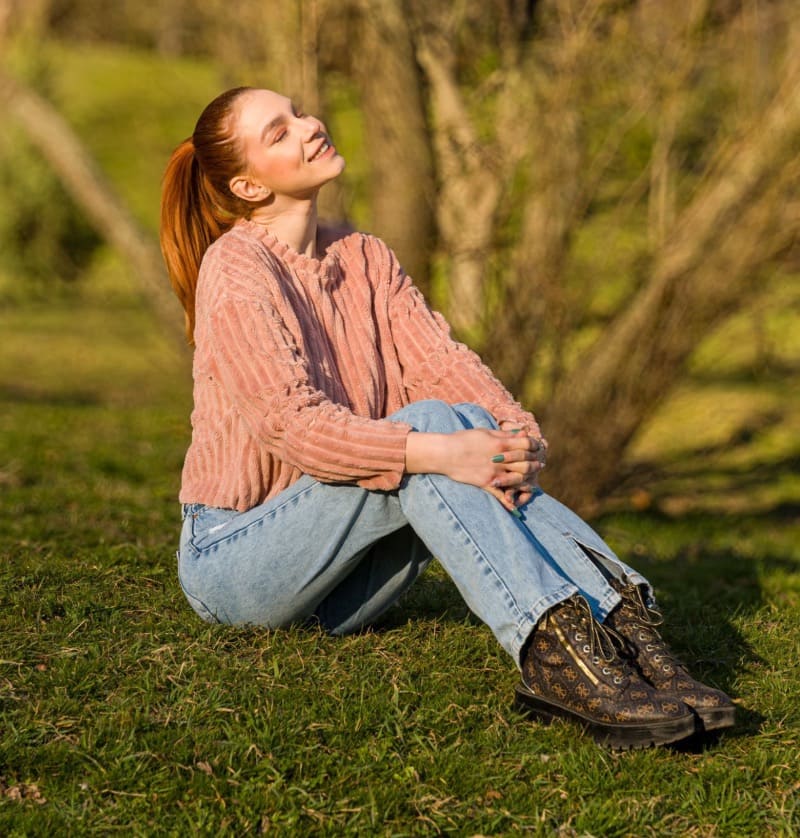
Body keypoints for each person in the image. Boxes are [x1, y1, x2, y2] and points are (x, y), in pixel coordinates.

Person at [159, 86, 735, 750]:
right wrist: (442, 450)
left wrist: (515, 438)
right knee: (435, 430)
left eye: (301, 113)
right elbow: (293, 425)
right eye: (279, 132)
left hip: (342, 586)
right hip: (238, 562)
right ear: (249, 186)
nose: (310, 126)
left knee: (454, 419)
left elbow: (441, 361)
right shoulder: (236, 268)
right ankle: (559, 655)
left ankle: (627, 638)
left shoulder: (364, 256)